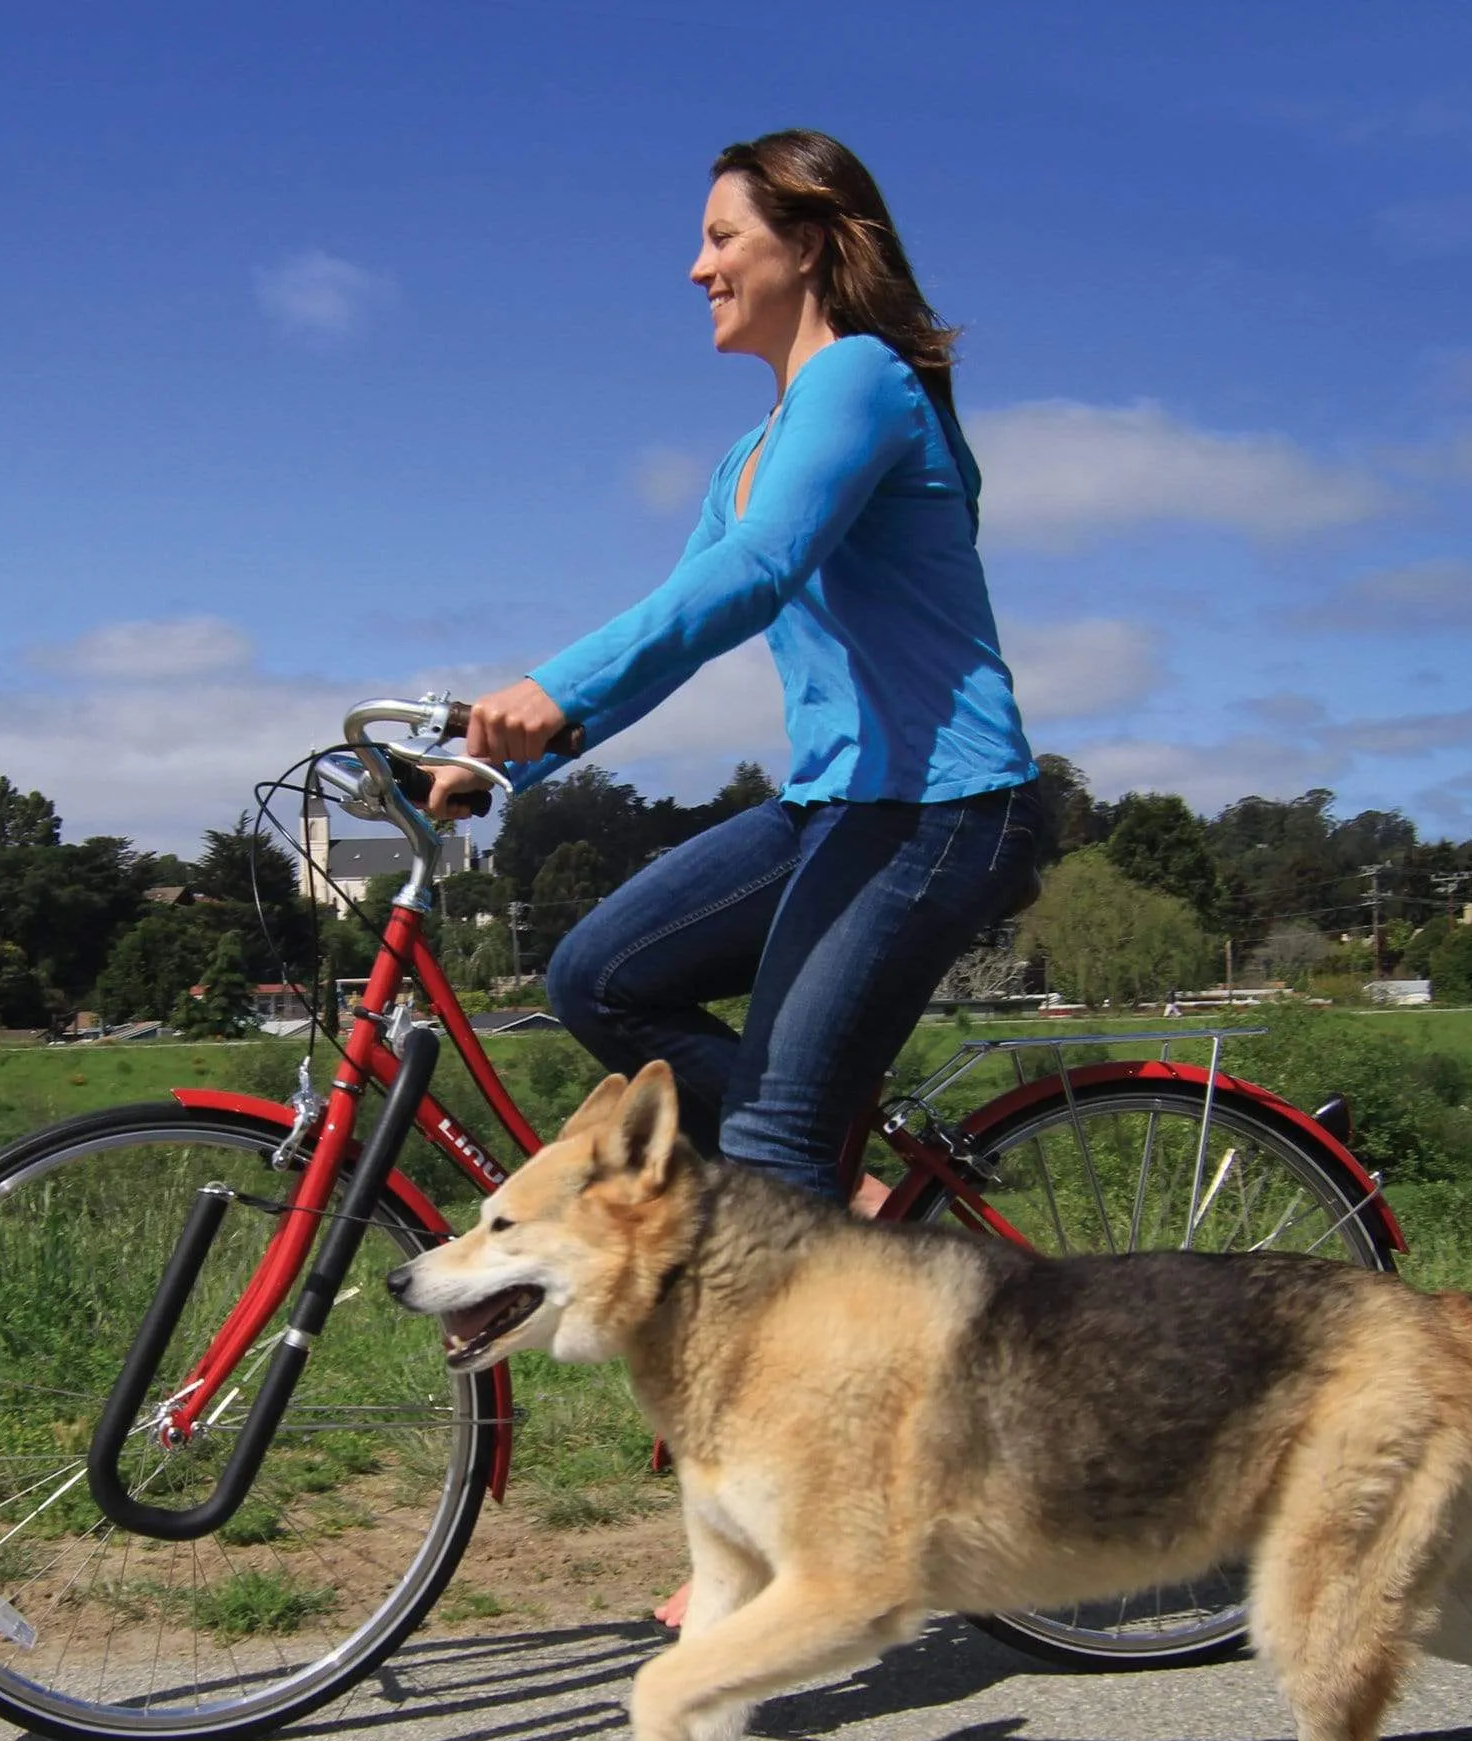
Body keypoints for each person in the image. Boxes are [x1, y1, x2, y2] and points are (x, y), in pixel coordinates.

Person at [426, 129, 1041, 1622]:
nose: (697, 266)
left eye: (722, 236)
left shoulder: (867, 385)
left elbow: (752, 577)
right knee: (600, 976)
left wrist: (546, 689)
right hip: (839, 807)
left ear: (812, 242)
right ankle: (842, 1176)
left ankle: (772, 1554)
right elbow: (683, 611)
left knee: (764, 1131)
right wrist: (503, 757)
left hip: (944, 806)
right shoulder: (752, 446)